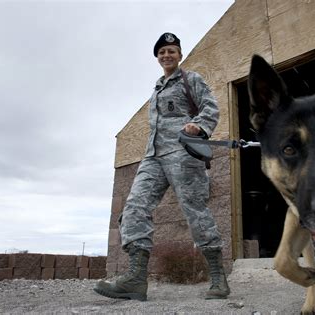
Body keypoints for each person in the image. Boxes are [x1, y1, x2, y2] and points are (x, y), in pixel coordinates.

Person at [94, 32, 229, 301]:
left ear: (180, 55)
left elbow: (210, 108)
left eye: (172, 50)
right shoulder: (156, 88)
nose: (167, 55)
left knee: (196, 212)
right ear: (157, 57)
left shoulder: (192, 79)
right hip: (153, 157)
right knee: (134, 207)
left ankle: (218, 278)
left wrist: (199, 125)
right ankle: (135, 279)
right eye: (162, 52)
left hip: (183, 154)